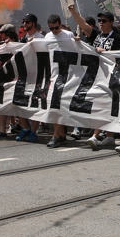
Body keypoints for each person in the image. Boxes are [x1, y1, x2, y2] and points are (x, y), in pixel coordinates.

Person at [45, 15, 76, 149]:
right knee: (55, 105)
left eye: (56, 28)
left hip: (68, 75)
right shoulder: (47, 37)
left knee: (58, 105)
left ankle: (57, 135)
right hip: (54, 76)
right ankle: (60, 135)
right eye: (51, 28)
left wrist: (78, 42)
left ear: (60, 24)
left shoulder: (69, 35)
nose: (54, 31)